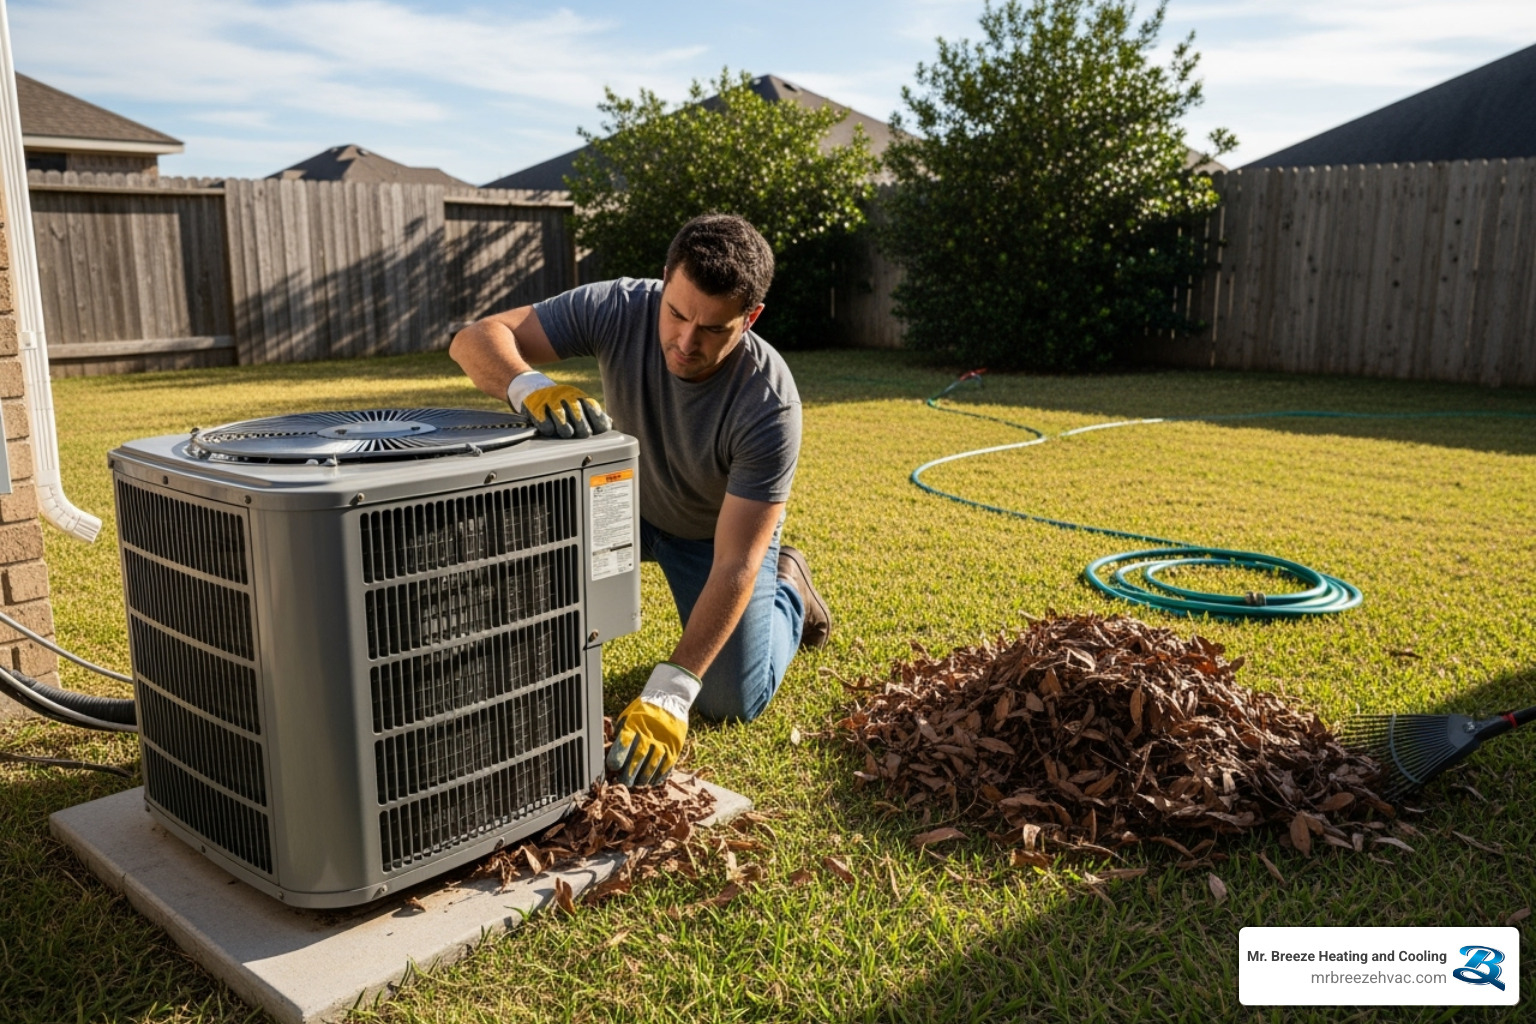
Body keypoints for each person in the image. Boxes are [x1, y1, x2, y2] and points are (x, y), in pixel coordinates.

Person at [449, 213, 831, 789]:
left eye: (713, 328)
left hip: (711, 536)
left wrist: (673, 690)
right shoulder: (620, 306)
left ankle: (791, 591)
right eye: (676, 313)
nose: (686, 341)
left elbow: (736, 561)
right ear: (664, 280)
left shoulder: (768, 404)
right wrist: (529, 386)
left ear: (750, 318)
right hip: (619, 506)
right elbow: (474, 338)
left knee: (730, 698)